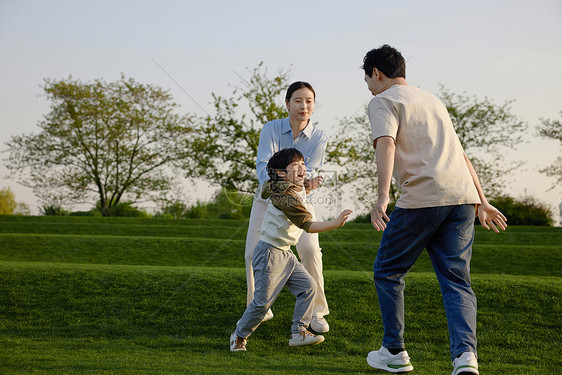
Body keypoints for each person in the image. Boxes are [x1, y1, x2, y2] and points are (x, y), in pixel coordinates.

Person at [361, 45, 507, 375]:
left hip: (422, 199)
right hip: (461, 199)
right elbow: (462, 155)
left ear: (377, 73)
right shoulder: (432, 100)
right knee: (457, 282)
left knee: (387, 270)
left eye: (368, 79)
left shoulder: (382, 100)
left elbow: (385, 143)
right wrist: (481, 201)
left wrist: (382, 197)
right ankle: (466, 359)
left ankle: (395, 352)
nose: (368, 86)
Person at [230, 148, 352, 351]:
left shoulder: (283, 185)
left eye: (303, 164)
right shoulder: (286, 198)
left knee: (308, 287)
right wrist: (336, 222)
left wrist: (307, 186)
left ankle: (299, 332)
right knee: (262, 304)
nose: (302, 168)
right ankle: (239, 335)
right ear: (281, 173)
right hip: (270, 254)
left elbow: (267, 187)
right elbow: (309, 226)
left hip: (285, 253)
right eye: (295, 166)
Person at [244, 81, 331, 333]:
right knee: (251, 254)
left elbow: (310, 170)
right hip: (267, 195)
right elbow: (263, 164)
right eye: (298, 100)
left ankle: (317, 311)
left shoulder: (318, 137)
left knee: (310, 251)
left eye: (309, 101)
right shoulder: (271, 128)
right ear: (287, 103)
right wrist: (275, 189)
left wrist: (300, 185)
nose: (304, 106)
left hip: (299, 198)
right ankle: (259, 308)